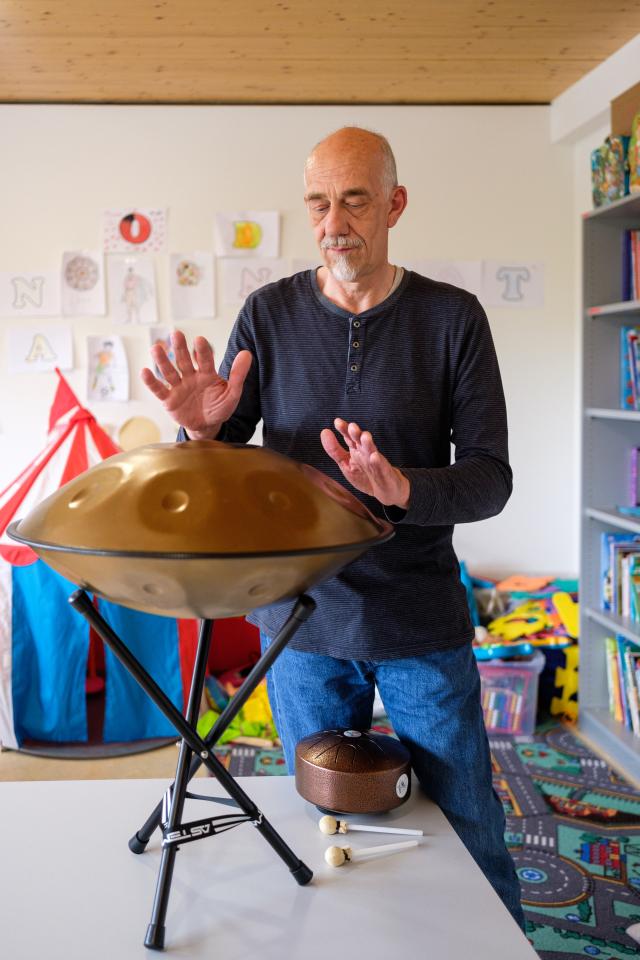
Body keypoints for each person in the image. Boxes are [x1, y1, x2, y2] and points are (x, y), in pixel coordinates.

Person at [141, 126, 525, 932]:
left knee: (467, 821)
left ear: (396, 204)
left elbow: (491, 478)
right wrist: (198, 435)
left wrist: (401, 485)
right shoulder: (267, 313)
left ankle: (495, 943)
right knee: (324, 828)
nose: (334, 221)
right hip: (299, 623)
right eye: (319, 201)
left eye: (354, 199)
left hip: (417, 618)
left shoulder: (453, 318)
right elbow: (218, 463)